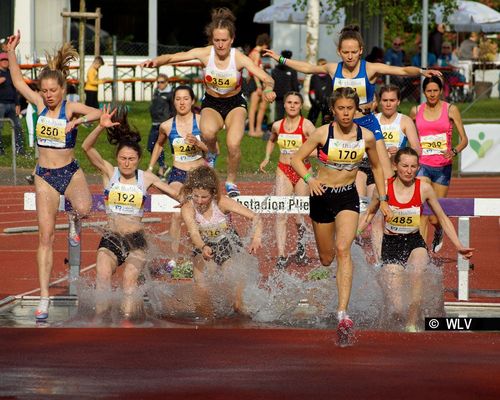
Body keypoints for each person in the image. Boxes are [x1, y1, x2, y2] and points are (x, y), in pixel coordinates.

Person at [264, 25, 442, 199]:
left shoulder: (370, 68)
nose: (350, 56)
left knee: (385, 169)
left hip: (367, 122)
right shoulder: (334, 69)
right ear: (339, 52)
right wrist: (280, 59)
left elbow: (402, 70)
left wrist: (421, 71)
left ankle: (394, 205)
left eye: (353, 52)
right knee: (336, 167)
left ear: (361, 51)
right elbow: (308, 68)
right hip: (341, 126)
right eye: (345, 52)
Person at [5, 31, 102, 320]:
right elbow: (18, 80)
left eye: (52, 90)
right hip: (45, 175)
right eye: (44, 90)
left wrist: (78, 122)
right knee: (45, 236)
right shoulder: (37, 105)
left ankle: (73, 218)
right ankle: (45, 297)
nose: (48, 95)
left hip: (70, 171)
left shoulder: (69, 107)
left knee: (84, 208)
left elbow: (97, 113)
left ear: (62, 89)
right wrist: (11, 52)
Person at [290, 87, 391, 347]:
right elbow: (296, 159)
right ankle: (334, 284)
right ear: (333, 111)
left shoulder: (366, 136)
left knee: (343, 248)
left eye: (350, 109)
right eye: (341, 109)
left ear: (356, 109)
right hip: (322, 196)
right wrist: (310, 179)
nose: (346, 114)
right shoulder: (323, 133)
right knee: (327, 258)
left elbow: (378, 167)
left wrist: (385, 198)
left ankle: (343, 314)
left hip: (347, 197)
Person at [141, 8, 276, 198]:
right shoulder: (205, 54)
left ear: (232, 39)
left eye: (224, 40)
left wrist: (269, 89)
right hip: (212, 102)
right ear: (212, 39)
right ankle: (212, 155)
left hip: (235, 103)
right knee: (207, 132)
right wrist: (156, 61)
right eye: (216, 40)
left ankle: (230, 181)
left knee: (233, 143)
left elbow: (266, 78)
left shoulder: (239, 58)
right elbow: (174, 57)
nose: (220, 45)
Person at [359, 147, 474, 331]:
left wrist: (459, 245)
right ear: (395, 166)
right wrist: (350, 237)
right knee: (396, 308)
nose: (409, 170)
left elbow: (442, 217)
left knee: (418, 269)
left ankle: (412, 324)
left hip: (414, 242)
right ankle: (398, 320)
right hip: (391, 246)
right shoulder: (385, 189)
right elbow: (369, 214)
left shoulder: (424, 188)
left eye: (413, 166)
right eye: (405, 166)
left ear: (418, 168)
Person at [82, 105, 178, 320]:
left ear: (138, 160)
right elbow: (86, 148)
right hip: (111, 238)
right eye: (123, 158)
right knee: (103, 276)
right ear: (117, 158)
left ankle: (126, 322)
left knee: (128, 281)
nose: (127, 163)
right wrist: (99, 126)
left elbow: (175, 194)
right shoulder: (109, 172)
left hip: (136, 240)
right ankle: (101, 319)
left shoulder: (146, 178)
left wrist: (191, 202)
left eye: (131, 159)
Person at [180, 165, 262, 314]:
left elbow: (255, 217)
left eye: (204, 197)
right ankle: (207, 319)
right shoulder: (188, 207)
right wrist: (203, 247)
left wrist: (256, 238)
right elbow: (194, 234)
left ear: (213, 193)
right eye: (195, 195)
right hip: (202, 244)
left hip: (227, 242)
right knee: (202, 287)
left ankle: (243, 312)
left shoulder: (222, 202)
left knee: (236, 301)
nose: (199, 200)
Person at [358, 84, 421, 265]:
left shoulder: (404, 121)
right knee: (362, 207)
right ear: (379, 102)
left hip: (390, 174)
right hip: (368, 167)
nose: (388, 104)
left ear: (398, 101)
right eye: (385, 100)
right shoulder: (371, 119)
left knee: (379, 217)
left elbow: (416, 148)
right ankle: (367, 251)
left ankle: (386, 257)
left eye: (392, 100)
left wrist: (399, 151)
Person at [409, 76, 469, 253]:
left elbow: (464, 139)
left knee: (435, 217)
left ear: (441, 91)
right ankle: (420, 251)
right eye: (429, 91)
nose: (432, 94)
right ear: (424, 92)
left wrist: (454, 151)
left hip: (442, 167)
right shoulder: (416, 110)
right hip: (422, 165)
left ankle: (439, 230)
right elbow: (407, 133)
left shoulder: (451, 109)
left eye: (435, 90)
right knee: (422, 211)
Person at [148, 85, 208, 258]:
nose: (182, 102)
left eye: (185, 98)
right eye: (178, 99)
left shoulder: (201, 121)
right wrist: (151, 168)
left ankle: (195, 254)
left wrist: (198, 144)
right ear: (173, 102)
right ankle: (174, 260)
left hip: (199, 175)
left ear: (192, 101)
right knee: (176, 215)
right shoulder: (166, 126)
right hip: (178, 174)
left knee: (197, 217)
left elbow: (212, 150)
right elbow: (159, 145)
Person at [259, 91, 315, 269]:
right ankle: (281, 255)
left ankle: (301, 247)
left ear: (300, 106)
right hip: (283, 170)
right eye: (289, 102)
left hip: (303, 172)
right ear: (284, 105)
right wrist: (267, 157)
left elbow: (320, 147)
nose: (292, 105)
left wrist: (301, 155)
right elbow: (272, 140)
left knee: (299, 216)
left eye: (296, 103)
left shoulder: (306, 125)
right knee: (281, 213)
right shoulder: (277, 125)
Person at [147, 73, 173, 179]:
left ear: (167, 83)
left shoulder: (171, 94)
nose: (159, 84)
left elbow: (173, 109)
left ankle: (162, 169)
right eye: (158, 82)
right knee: (150, 146)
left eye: (162, 82)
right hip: (155, 122)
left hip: (164, 123)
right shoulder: (156, 92)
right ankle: (164, 166)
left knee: (160, 145)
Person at [247, 33, 271, 138]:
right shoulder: (256, 53)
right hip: (256, 83)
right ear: (264, 43)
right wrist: (259, 86)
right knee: (254, 107)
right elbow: (255, 71)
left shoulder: (253, 52)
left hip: (257, 82)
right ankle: (252, 130)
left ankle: (258, 129)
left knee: (262, 107)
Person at [0, 52, 24, 155]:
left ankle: (19, 149)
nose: (5, 62)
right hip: (0, 104)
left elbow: (16, 90)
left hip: (12, 104)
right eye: (3, 60)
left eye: (7, 60)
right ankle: (0, 150)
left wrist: (18, 104)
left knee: (17, 126)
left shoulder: (11, 73)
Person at [272, 50, 300, 121]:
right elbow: (295, 84)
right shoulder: (291, 69)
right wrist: (297, 94)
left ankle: (279, 129)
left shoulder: (275, 69)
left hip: (279, 95)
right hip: (288, 96)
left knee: (279, 115)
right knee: (291, 114)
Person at [308, 58, 333, 126]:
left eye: (324, 65)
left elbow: (332, 89)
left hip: (327, 103)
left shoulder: (330, 77)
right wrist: (314, 101)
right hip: (316, 102)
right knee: (311, 120)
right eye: (321, 65)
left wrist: (330, 101)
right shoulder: (314, 77)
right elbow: (311, 91)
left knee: (326, 122)